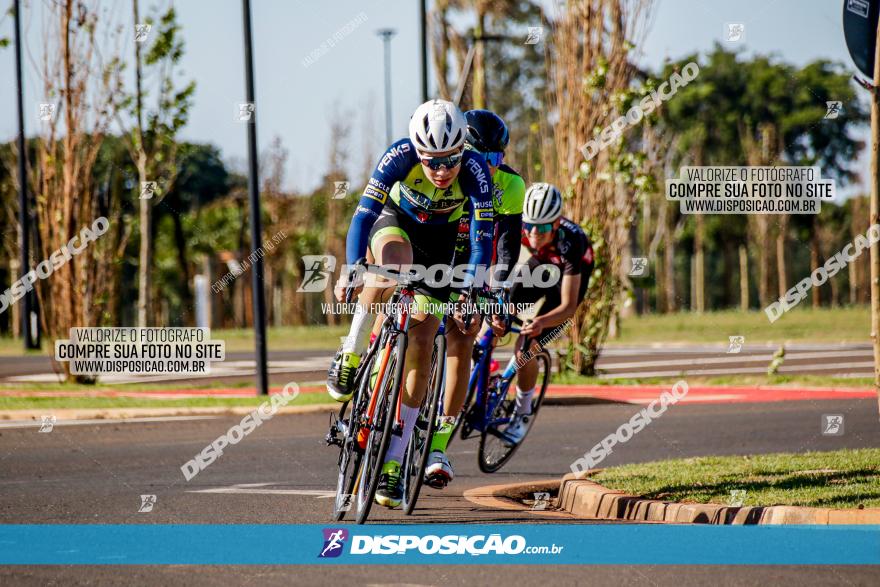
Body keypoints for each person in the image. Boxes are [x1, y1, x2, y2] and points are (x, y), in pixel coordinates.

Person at [326, 99, 494, 508]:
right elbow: (362, 217)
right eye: (432, 161)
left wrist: (470, 288)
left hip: (440, 243)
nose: (441, 171)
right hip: (395, 221)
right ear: (418, 152)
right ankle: (351, 352)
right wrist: (351, 267)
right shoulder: (397, 156)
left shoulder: (475, 173)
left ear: (462, 151)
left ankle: (393, 466)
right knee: (388, 267)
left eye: (450, 160)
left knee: (421, 341)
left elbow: (481, 240)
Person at [423, 109, 525, 489]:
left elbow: (506, 247)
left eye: (499, 159)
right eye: (487, 159)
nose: (494, 168)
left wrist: (495, 292)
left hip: (474, 258)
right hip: (437, 245)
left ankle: (438, 445)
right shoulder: (446, 173)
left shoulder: (511, 186)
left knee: (465, 333)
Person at [504, 182, 594, 444]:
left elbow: (567, 308)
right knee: (502, 311)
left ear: (556, 224)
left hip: (565, 283)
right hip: (542, 266)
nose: (534, 233)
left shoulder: (571, 241)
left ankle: (522, 412)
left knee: (525, 348)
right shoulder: (523, 227)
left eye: (542, 227)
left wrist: (539, 323)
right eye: (529, 225)